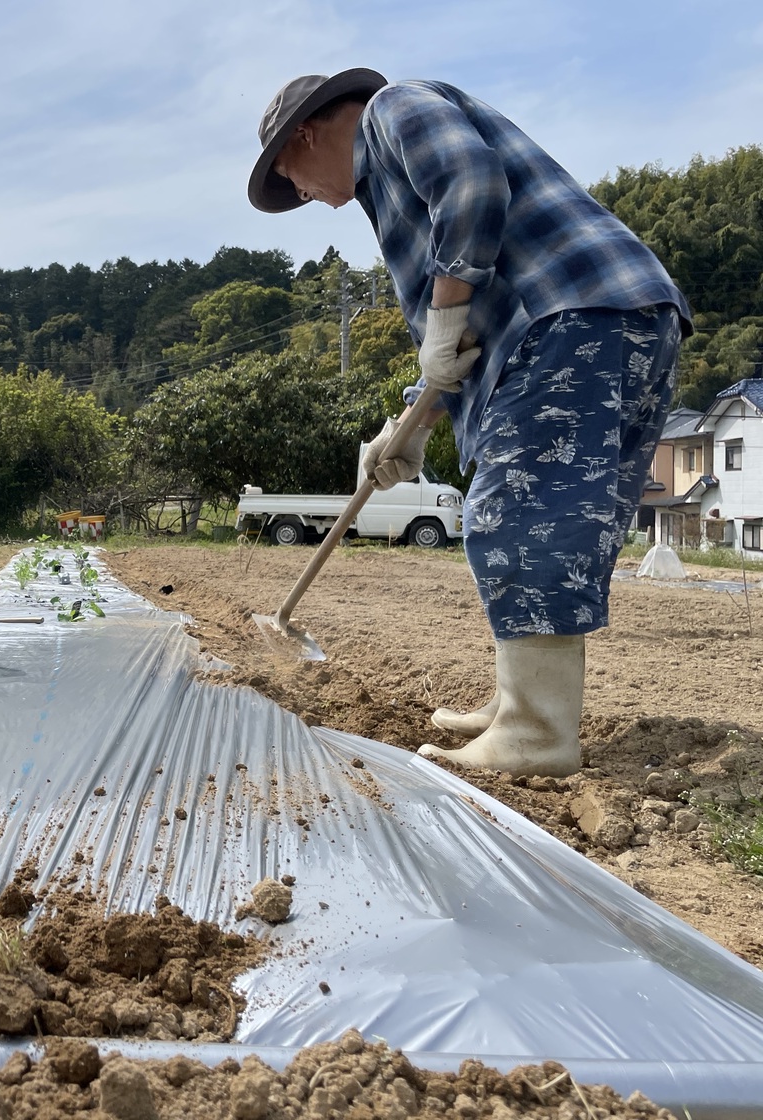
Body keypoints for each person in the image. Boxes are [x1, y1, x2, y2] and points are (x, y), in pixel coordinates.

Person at [247, 70, 690, 777]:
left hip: (570, 314)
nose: (304, 196)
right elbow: (455, 342)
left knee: (518, 513)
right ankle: (523, 701)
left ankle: (536, 734)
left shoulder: (394, 110)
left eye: (289, 178)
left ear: (304, 133)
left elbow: (472, 186)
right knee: (560, 523)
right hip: (611, 321)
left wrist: (445, 316)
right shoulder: (388, 187)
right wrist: (410, 430)